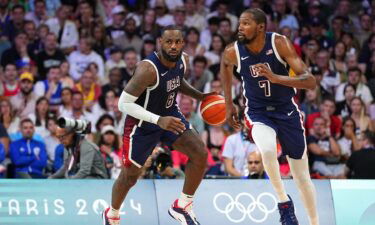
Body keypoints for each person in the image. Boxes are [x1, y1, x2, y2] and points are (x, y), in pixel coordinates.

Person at [103, 25, 213, 225]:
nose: (173, 46)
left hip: (169, 113)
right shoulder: (147, 69)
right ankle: (112, 214)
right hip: (141, 124)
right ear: (160, 43)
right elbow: (123, 104)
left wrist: (200, 96)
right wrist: (158, 120)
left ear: (182, 44)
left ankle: (182, 205)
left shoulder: (182, 61)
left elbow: (176, 82)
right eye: (168, 42)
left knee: (200, 153)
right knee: (130, 176)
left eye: (177, 42)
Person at [220, 8, 319, 225]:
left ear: (261, 27)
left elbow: (310, 81)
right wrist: (229, 105)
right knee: (266, 149)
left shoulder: (279, 43)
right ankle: (284, 204)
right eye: (240, 23)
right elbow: (225, 69)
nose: (240, 27)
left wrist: (277, 78)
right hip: (258, 111)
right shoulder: (233, 51)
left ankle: (314, 221)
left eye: (246, 23)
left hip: (287, 111)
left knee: (302, 177)